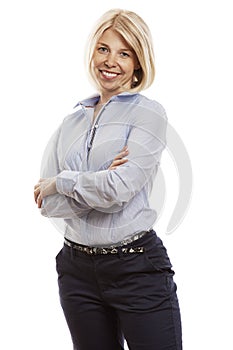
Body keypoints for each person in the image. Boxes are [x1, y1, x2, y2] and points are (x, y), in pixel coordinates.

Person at [34, 8, 182, 350]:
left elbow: (120, 190)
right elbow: (47, 202)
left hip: (136, 267)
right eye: (103, 49)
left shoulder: (148, 114)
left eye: (124, 52)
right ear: (92, 52)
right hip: (76, 272)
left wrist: (62, 181)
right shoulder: (70, 123)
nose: (110, 61)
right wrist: (92, 181)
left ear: (138, 63)